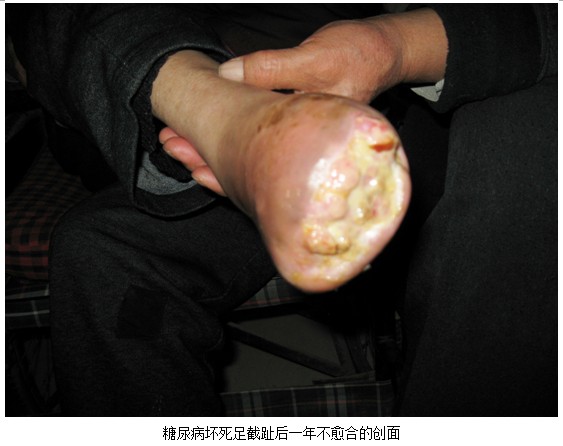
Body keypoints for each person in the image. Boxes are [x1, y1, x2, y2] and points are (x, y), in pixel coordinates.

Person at [6, 4, 556, 416]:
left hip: (382, 109)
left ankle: (226, 117)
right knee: (97, 248)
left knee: (522, 133)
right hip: (170, 139)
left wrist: (395, 44)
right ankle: (221, 112)